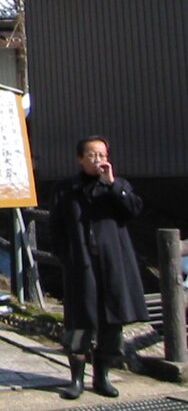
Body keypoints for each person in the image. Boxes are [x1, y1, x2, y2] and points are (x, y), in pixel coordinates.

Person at [49, 136, 148, 400]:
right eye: (92, 155)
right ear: (80, 158)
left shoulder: (118, 186)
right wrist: (66, 256)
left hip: (114, 265)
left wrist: (113, 184)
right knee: (79, 322)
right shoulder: (66, 189)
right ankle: (76, 379)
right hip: (81, 264)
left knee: (111, 322)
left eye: (102, 155)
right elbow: (55, 228)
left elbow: (133, 210)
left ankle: (102, 376)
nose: (98, 160)